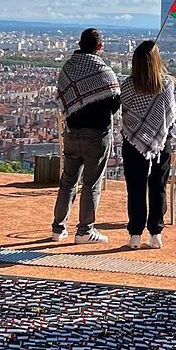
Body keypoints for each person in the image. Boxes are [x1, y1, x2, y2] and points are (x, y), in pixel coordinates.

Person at [52, 28, 120, 243]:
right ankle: (84, 230)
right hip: (97, 134)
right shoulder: (103, 72)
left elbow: (62, 96)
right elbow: (115, 103)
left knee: (67, 181)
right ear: (100, 47)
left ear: (79, 44)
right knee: (92, 183)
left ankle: (58, 229)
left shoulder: (68, 68)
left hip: (72, 131)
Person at [119, 40, 176, 249]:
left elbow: (125, 113)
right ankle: (156, 234)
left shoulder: (127, 84)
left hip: (133, 141)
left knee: (135, 189)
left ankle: (135, 235)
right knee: (158, 187)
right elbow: (170, 115)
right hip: (161, 142)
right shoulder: (167, 84)